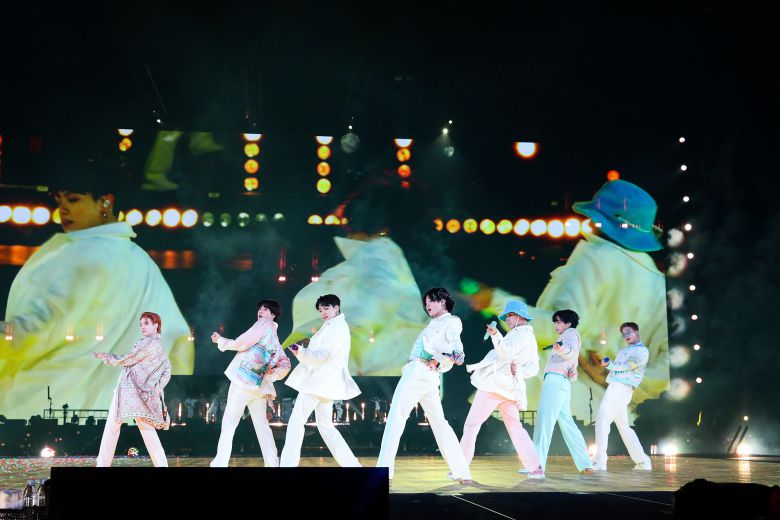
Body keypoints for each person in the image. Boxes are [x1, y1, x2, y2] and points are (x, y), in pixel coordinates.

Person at [461, 180, 669, 426]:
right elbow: (664, 367)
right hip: (614, 412)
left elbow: (558, 330)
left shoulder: (597, 257)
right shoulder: (658, 283)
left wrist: (495, 301)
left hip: (556, 398)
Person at [1, 154, 193, 420]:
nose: (62, 210)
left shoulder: (88, 257)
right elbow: (180, 342)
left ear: (106, 202)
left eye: (73, 200)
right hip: (120, 417)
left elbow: (32, 334)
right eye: (59, 201)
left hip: (46, 413)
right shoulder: (139, 260)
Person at [376, 287, 472, 484]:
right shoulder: (434, 323)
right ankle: (462, 472)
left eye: (431, 301)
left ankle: (384, 472)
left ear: (442, 301)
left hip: (418, 372)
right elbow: (443, 351)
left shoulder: (451, 321)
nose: (427, 305)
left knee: (396, 417)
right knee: (439, 423)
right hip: (427, 375)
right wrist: (441, 359)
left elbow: (455, 343)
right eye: (425, 302)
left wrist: (454, 355)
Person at [462, 301, 545, 479]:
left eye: (510, 315)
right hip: (508, 389)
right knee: (515, 428)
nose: (507, 319)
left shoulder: (519, 335)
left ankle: (460, 467)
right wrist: (518, 371)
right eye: (506, 316)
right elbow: (533, 368)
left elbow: (505, 354)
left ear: (520, 317)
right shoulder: (528, 337)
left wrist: (495, 335)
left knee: (471, 425)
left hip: (494, 386)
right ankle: (535, 467)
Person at [280, 294, 361, 467]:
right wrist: (302, 352)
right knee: (326, 427)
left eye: (326, 308)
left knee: (297, 421)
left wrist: (300, 351)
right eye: (320, 309)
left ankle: (287, 464)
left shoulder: (336, 328)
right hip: (325, 384)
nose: (323, 312)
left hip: (319, 382)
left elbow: (323, 355)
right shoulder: (333, 326)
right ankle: (353, 465)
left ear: (336, 307)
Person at [210, 299, 290, 467]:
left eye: (265, 309)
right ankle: (273, 463)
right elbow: (285, 364)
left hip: (243, 381)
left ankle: (220, 464)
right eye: (260, 308)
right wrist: (273, 375)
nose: (260, 311)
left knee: (229, 423)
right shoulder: (275, 340)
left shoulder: (263, 324)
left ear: (273, 315)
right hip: (259, 388)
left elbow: (242, 343)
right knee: (262, 427)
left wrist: (220, 341)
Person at [94, 312, 171, 467]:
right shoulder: (160, 346)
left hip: (131, 391)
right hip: (138, 393)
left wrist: (108, 357)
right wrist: (154, 387)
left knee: (113, 427)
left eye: (146, 323)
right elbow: (167, 370)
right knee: (146, 430)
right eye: (141, 324)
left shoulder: (150, 344)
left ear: (156, 325)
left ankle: (102, 464)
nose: (142, 326)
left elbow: (129, 358)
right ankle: (162, 465)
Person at [533, 310, 593, 474]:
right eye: (555, 322)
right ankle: (585, 463)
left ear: (568, 323)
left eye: (558, 322)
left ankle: (535, 465)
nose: (556, 325)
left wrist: (560, 348)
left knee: (544, 422)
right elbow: (572, 359)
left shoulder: (570, 333)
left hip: (555, 381)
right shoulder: (569, 335)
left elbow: (570, 352)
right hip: (562, 383)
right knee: (567, 424)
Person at [592, 322, 653, 471]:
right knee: (623, 427)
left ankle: (599, 461)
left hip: (622, 388)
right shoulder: (623, 351)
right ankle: (643, 461)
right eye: (623, 334)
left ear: (636, 332)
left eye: (628, 332)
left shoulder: (642, 351)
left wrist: (610, 365)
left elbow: (628, 367)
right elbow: (618, 368)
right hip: (616, 387)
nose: (626, 335)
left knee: (602, 418)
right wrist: (609, 365)